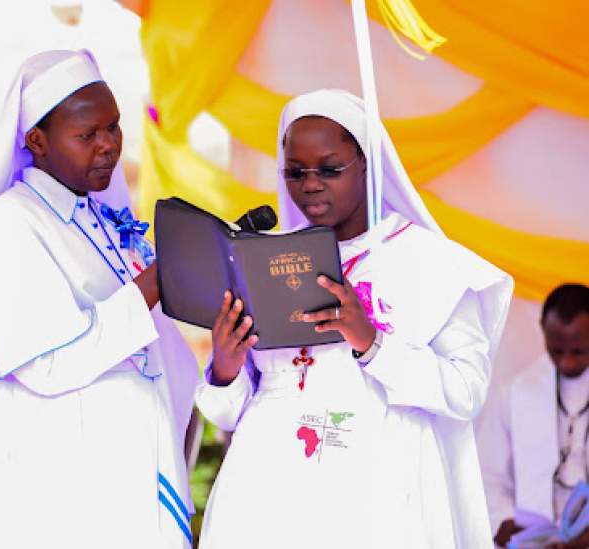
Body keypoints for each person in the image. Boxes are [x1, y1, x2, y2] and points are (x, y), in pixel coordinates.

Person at [194, 89, 513, 549]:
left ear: (365, 163)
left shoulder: (430, 261)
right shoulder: (267, 261)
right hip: (269, 491)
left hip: (376, 492)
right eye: (295, 172)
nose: (310, 184)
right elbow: (228, 410)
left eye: (329, 169)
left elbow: (466, 393)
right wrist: (224, 367)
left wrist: (372, 343)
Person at [0, 49, 198, 549]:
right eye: (87, 135)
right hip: (55, 477)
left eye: (114, 127)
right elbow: (49, 364)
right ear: (36, 141)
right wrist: (153, 282)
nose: (108, 146)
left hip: (113, 466)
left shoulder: (97, 217)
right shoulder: (12, 226)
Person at [478, 284, 589, 548]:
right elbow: (489, 475)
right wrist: (504, 522)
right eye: (557, 350)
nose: (566, 362)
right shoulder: (516, 392)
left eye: (579, 351)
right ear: (543, 330)